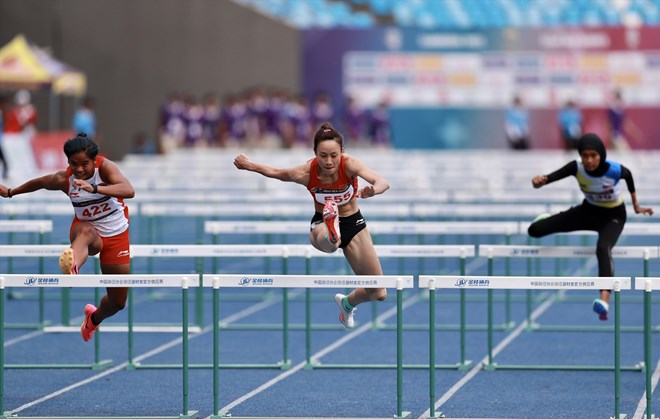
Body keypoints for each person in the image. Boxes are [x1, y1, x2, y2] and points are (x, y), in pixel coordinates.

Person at [233, 122, 390, 328]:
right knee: (331, 243)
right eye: (322, 155)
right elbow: (277, 172)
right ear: (314, 152)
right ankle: (332, 230)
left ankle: (346, 303)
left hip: (353, 222)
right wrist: (250, 165)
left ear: (342, 152)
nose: (328, 161)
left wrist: (373, 190)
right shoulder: (306, 172)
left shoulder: (350, 164)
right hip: (321, 223)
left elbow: (382, 181)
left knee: (378, 292)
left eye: (334, 155)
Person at [0, 133, 135, 341]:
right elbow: (41, 182)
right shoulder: (66, 179)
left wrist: (96, 188)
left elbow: (128, 190)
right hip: (85, 231)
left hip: (116, 235)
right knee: (86, 231)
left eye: (84, 164)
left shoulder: (105, 168)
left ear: (94, 160)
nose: (79, 169)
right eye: (74, 164)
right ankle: (72, 267)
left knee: (118, 303)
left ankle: (93, 318)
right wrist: (11, 192)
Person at [528, 133, 653, 321]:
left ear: (601, 155)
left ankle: (604, 300)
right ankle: (549, 220)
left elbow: (629, 177)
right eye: (585, 155)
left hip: (613, 217)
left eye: (593, 155)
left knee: (603, 247)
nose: (589, 160)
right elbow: (548, 178)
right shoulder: (576, 167)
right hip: (588, 212)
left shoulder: (615, 170)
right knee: (534, 231)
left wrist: (636, 206)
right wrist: (539, 182)